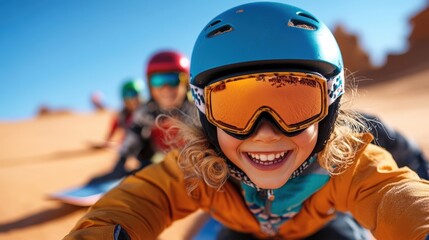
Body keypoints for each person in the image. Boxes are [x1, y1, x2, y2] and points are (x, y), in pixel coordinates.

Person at [64, 2, 429, 239]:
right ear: (205, 116)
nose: (265, 132)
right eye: (234, 109)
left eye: (296, 102)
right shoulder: (199, 167)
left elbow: (393, 194)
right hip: (240, 232)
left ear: (329, 109)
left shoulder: (343, 161)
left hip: (323, 230)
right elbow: (142, 198)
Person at [88, 50, 195, 184]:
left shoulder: (197, 109)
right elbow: (132, 137)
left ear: (186, 83)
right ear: (150, 85)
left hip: (197, 166)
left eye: (173, 79)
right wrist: (121, 163)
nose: (166, 88)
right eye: (158, 81)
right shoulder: (146, 112)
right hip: (161, 163)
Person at [92, 78, 144, 149]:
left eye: (134, 93)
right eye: (127, 94)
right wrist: (106, 143)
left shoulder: (149, 110)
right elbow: (114, 128)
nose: (131, 98)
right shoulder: (122, 115)